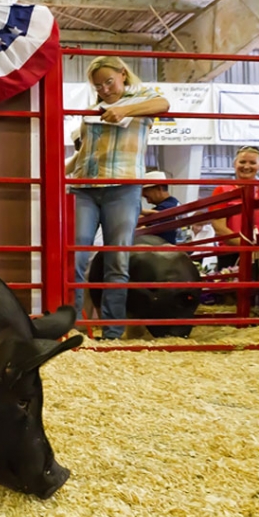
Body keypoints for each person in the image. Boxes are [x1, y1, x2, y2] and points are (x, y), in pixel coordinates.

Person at [71, 56, 170, 340]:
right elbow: (84, 152)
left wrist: (124, 109)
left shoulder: (142, 98)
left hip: (123, 186)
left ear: (122, 75)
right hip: (85, 185)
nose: (104, 89)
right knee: (74, 257)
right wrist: (61, 174)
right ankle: (72, 327)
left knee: (117, 260)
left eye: (109, 82)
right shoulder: (92, 111)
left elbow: (164, 104)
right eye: (98, 86)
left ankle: (112, 332)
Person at [210, 146, 259, 271]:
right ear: (234, 164)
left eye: (252, 163)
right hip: (231, 253)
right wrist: (249, 247)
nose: (246, 166)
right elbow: (219, 227)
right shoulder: (222, 190)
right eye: (242, 162)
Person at [140, 169, 181, 245]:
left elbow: (141, 226)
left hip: (165, 247)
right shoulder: (174, 203)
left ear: (159, 188)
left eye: (145, 190)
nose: (142, 194)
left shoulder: (165, 208)